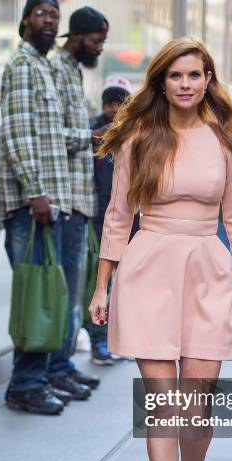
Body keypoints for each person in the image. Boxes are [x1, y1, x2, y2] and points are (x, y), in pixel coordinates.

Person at [89, 38, 232, 461]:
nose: (186, 84)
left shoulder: (228, 137)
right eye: (175, 75)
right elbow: (119, 216)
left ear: (208, 80)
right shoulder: (139, 137)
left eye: (196, 74)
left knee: (197, 401)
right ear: (161, 82)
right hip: (147, 271)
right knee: (163, 406)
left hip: (208, 271)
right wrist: (103, 286)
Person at [0, 0, 73, 415]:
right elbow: (18, 134)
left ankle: (34, 379)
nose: (49, 21)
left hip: (47, 203)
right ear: (26, 19)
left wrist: (89, 134)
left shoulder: (42, 66)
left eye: (55, 15)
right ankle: (24, 384)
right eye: (42, 13)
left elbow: (49, 132)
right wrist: (37, 192)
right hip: (32, 205)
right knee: (35, 296)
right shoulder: (23, 65)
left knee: (46, 295)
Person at [48, 6, 109, 399]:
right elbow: (50, 132)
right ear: (77, 35)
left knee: (74, 293)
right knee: (64, 293)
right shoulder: (55, 69)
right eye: (96, 40)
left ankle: (63, 366)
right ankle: (53, 370)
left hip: (79, 200)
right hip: (62, 200)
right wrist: (91, 136)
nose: (100, 47)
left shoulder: (73, 71)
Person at [85, 77, 138, 365]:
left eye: (121, 102)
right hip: (100, 217)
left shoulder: (138, 130)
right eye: (110, 102)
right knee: (101, 281)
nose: (114, 108)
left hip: (134, 218)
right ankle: (99, 342)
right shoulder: (95, 130)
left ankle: (124, 340)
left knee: (128, 282)